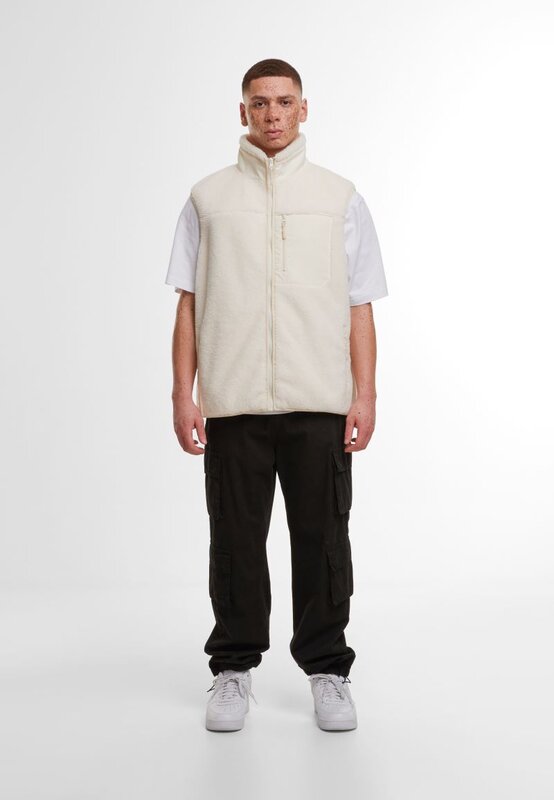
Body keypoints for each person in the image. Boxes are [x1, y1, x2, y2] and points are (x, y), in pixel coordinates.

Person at [165, 59, 388, 732]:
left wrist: (366, 395)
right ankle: (232, 670)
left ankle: (328, 671)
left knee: (323, 541)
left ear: (303, 109)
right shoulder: (207, 199)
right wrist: (183, 394)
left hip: (318, 400)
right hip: (233, 402)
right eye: (259, 103)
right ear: (243, 112)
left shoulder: (339, 197)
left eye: (284, 102)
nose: (271, 114)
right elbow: (188, 303)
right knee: (235, 542)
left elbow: (359, 305)